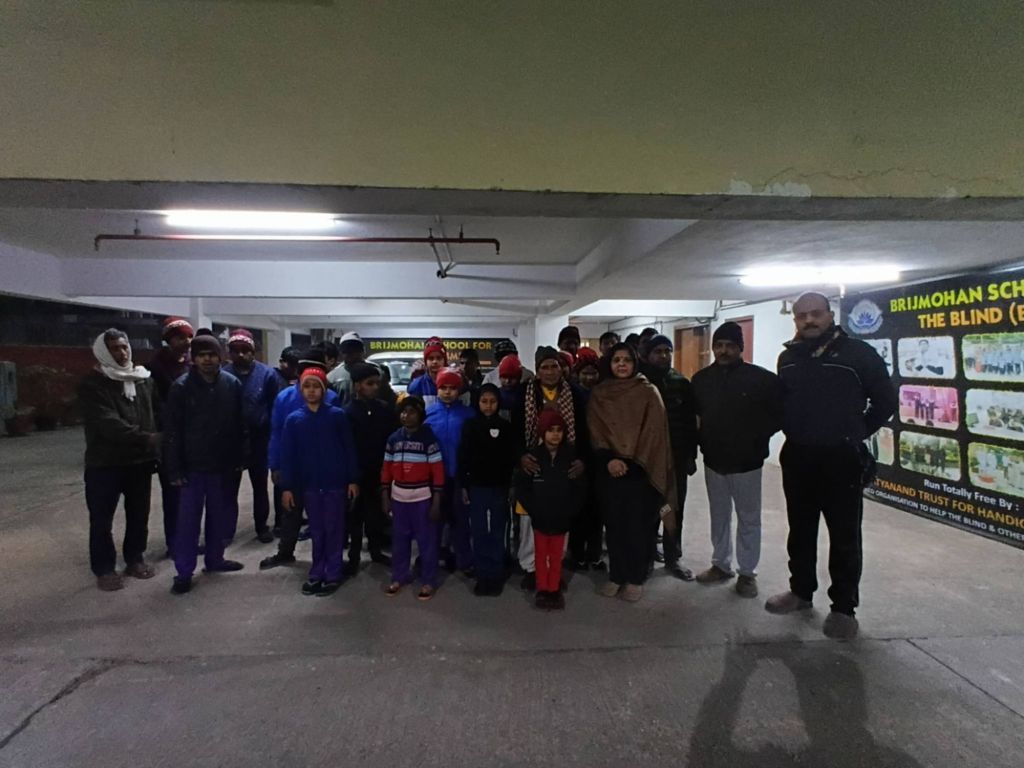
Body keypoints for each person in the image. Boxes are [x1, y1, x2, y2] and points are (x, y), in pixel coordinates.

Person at [766, 292, 896, 639]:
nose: (809, 320)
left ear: (830, 315)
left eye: (815, 314)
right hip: (798, 456)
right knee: (800, 529)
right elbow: (782, 403)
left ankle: (843, 608)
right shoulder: (788, 358)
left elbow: (885, 400)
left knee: (844, 534)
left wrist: (855, 432)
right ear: (795, 320)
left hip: (841, 458)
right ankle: (800, 591)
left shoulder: (859, 354)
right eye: (801, 316)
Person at [691, 322, 783, 598]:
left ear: (740, 348)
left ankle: (747, 573)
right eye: (719, 346)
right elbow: (695, 416)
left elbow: (779, 413)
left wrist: (757, 436)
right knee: (719, 516)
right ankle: (720, 564)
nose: (724, 351)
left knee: (749, 518)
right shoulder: (701, 380)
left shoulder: (761, 380)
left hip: (747, 462)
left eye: (730, 346)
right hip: (714, 460)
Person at [588, 342, 675, 602]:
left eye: (627, 360)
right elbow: (595, 430)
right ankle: (617, 575)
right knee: (614, 526)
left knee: (638, 527)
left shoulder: (648, 392)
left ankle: (636, 578)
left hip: (641, 471)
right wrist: (609, 460)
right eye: (617, 360)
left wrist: (635, 463)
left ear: (635, 363)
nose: (622, 364)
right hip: (610, 471)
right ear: (610, 363)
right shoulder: (600, 393)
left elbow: (655, 433)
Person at [163, 334, 246, 595]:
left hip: (222, 465)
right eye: (201, 355)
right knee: (188, 523)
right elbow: (172, 431)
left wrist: (239, 457)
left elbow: (239, 425)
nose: (207, 360)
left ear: (220, 357)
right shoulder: (181, 387)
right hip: (192, 468)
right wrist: (174, 468)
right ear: (193, 359)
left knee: (218, 517)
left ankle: (215, 559)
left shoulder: (231, 384)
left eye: (211, 355)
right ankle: (184, 572)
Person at [78, 329, 160, 591]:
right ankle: (104, 568)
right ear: (103, 352)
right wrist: (147, 438)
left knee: (139, 515)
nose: (122, 353)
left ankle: (135, 558)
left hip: (139, 463)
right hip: (105, 464)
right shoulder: (93, 384)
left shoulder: (143, 379)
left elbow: (155, 413)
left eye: (124, 347)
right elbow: (107, 423)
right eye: (114, 348)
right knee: (102, 519)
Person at [511, 346, 588, 591]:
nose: (550, 371)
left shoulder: (574, 393)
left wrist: (581, 460)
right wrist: (521, 457)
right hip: (534, 463)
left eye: (554, 366)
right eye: (544, 367)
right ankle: (531, 568)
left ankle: (554, 568)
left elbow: (584, 432)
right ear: (537, 370)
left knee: (559, 521)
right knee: (529, 522)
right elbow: (514, 431)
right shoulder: (525, 393)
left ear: (561, 368)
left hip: (563, 463)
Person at [279, 366, 360, 596]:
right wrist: (287, 487)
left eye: (316, 386)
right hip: (310, 486)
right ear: (300, 389)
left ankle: (333, 573)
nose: (312, 391)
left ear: (324, 390)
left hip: (335, 484)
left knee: (334, 529)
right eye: (307, 386)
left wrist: (353, 480)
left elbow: (349, 449)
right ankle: (317, 572)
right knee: (316, 530)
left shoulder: (337, 416)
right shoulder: (294, 421)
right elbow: (288, 456)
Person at [260, 350, 340, 571]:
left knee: (324, 515)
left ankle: (327, 557)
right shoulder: (284, 397)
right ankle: (285, 552)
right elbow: (276, 433)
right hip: (293, 465)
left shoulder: (332, 399)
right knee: (290, 511)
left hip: (322, 467)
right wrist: (275, 464)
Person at [640, 333, 698, 580]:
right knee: (649, 508)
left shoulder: (681, 383)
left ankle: (673, 556)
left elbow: (690, 423)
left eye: (667, 351)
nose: (664, 356)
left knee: (674, 508)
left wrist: (691, 456)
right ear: (648, 355)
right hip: (649, 459)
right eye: (658, 351)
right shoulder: (640, 383)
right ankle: (647, 555)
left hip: (676, 457)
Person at [516, 410, 584, 610]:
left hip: (562, 518)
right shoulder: (533, 457)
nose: (555, 435)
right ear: (542, 432)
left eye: (559, 430)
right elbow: (523, 487)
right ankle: (542, 589)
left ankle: (553, 589)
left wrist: (570, 510)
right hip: (540, 518)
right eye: (550, 430)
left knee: (556, 556)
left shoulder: (571, 458)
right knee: (540, 554)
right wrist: (534, 509)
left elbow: (580, 488)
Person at [381, 396, 445, 600]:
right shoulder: (393, 439)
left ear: (420, 415)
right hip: (399, 498)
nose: (406, 416)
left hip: (422, 498)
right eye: (403, 411)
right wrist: (385, 495)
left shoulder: (429, 439)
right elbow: (386, 469)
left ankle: (428, 580)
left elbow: (437, 470)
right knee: (400, 540)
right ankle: (399, 576)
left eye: (411, 412)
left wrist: (436, 501)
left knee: (426, 541)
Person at [223, 328, 281, 544]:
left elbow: (274, 407)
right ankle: (226, 531)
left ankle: (262, 527)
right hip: (232, 441)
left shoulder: (267, 375)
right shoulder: (223, 375)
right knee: (229, 489)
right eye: (235, 350)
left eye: (245, 350)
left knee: (260, 487)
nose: (240, 354)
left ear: (253, 352)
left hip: (259, 439)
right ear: (229, 353)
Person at [459, 383, 517, 596]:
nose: (489, 405)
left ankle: (496, 572)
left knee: (498, 529)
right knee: (480, 529)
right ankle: (483, 573)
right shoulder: (470, 426)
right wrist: (463, 485)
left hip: (500, 487)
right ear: (478, 402)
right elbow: (463, 456)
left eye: (493, 401)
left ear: (499, 403)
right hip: (477, 486)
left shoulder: (506, 427)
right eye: (484, 401)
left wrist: (511, 486)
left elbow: (511, 459)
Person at [344, 362, 399, 573]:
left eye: (377, 383)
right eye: (370, 383)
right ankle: (354, 557)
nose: (375, 387)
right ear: (358, 386)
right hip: (357, 474)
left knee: (376, 515)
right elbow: (346, 447)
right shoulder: (347, 413)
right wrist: (351, 476)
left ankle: (376, 551)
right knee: (355, 517)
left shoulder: (384, 410)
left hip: (379, 472)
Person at [146, 316, 194, 557]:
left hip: (191, 438)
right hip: (169, 439)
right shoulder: (154, 368)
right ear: (168, 339)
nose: (186, 342)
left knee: (191, 495)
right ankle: (174, 543)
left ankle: (188, 540)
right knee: (173, 494)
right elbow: (152, 406)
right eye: (180, 337)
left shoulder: (191, 365)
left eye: (189, 337)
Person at [425, 368, 476, 573]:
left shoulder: (468, 415)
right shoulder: (428, 414)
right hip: (434, 477)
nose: (447, 392)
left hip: (459, 476)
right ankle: (432, 558)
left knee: (461, 520)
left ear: (459, 390)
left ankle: (465, 560)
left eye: (452, 388)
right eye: (443, 388)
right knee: (433, 520)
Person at [407, 337, 449, 408]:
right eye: (431, 358)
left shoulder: (453, 383)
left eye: (439, 358)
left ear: (444, 360)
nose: (435, 361)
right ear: (425, 362)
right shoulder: (416, 385)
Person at [326, 332, 366, 405]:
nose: (353, 354)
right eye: (348, 351)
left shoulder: (377, 373)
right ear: (341, 353)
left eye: (356, 350)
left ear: (363, 351)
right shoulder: (332, 378)